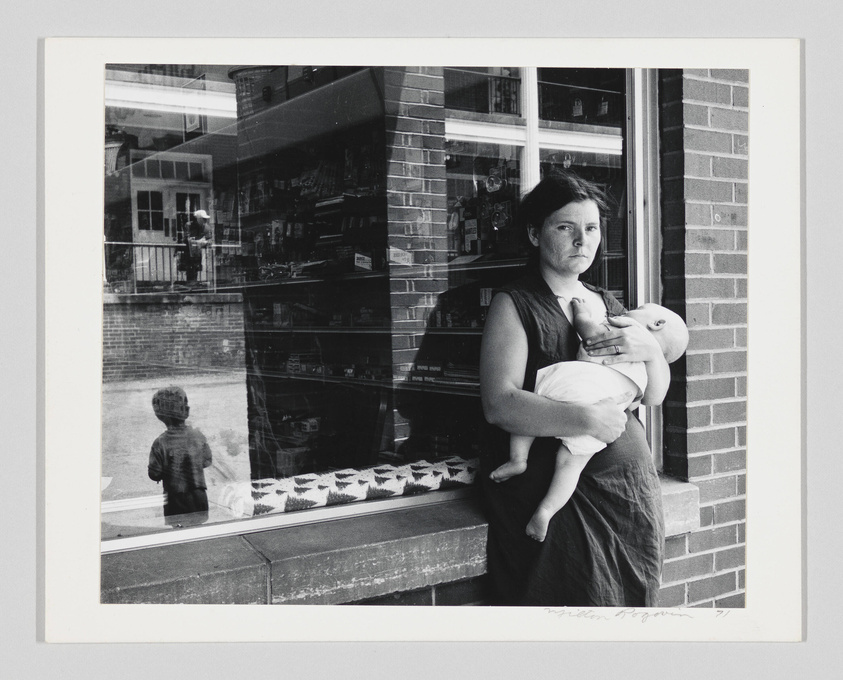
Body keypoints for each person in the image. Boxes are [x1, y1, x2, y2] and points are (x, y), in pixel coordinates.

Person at [479, 170, 670, 606]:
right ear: (534, 233)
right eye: (565, 227)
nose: (582, 241)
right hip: (563, 504)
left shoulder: (611, 303)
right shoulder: (515, 304)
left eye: (591, 228)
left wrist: (652, 352)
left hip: (628, 494)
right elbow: (499, 403)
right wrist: (586, 419)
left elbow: (653, 396)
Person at [491, 300, 689, 542]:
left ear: (657, 324)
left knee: (534, 403)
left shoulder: (630, 327)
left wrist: (582, 316)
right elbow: (646, 399)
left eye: (642, 306)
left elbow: (592, 335)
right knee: (570, 465)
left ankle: (518, 458)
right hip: (602, 411)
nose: (629, 309)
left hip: (579, 386)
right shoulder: (646, 368)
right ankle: (546, 510)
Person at [148, 386, 213, 526]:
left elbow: (154, 474)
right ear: (186, 411)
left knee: (179, 532)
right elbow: (207, 461)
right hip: (199, 496)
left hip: (175, 498)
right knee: (198, 530)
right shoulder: (198, 436)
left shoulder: (160, 442)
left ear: (159, 415)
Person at [178, 209, 213, 283]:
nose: (205, 221)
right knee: (188, 269)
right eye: (203, 219)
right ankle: (189, 286)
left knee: (197, 268)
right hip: (188, 252)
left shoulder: (207, 227)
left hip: (199, 253)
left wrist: (202, 242)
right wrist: (201, 241)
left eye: (206, 219)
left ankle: (195, 285)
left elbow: (210, 240)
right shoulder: (189, 225)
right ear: (198, 219)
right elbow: (188, 238)